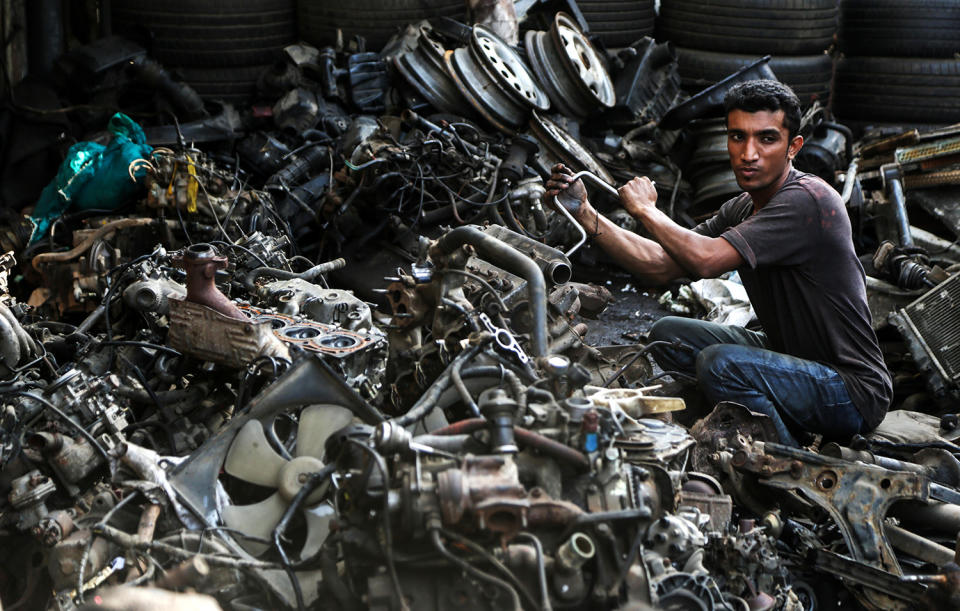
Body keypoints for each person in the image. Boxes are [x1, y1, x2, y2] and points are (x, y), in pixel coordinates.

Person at [545, 79, 892, 446]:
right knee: (669, 334)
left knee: (720, 363)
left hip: (851, 391)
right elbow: (662, 263)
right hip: (793, 360)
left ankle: (787, 457)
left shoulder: (808, 201)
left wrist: (646, 209)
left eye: (767, 139)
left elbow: (707, 260)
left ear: (794, 147)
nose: (749, 153)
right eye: (738, 137)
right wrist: (584, 213)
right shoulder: (744, 206)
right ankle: (733, 410)